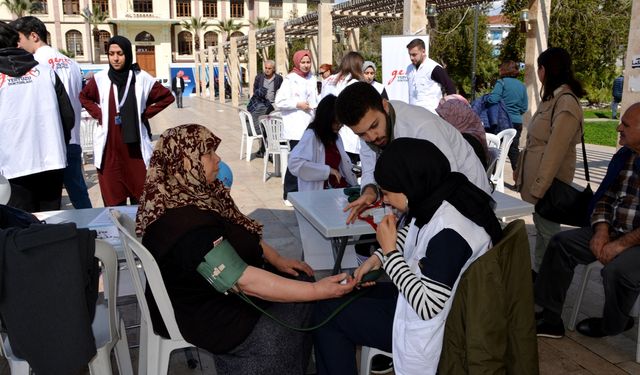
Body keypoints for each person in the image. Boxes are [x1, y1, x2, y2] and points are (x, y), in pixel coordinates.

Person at [135, 124, 355, 374]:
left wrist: (278, 258)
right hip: (209, 314)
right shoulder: (186, 227)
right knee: (296, 309)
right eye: (208, 154)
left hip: (209, 294)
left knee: (300, 278)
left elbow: (238, 231)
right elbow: (242, 280)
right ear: (186, 163)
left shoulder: (189, 197)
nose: (218, 159)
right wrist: (317, 290)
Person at [313, 138, 502, 375]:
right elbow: (416, 234)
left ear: (410, 184)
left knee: (329, 314)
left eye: (388, 192)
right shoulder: (444, 194)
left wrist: (390, 255)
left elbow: (427, 306)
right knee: (336, 298)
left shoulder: (451, 233)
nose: (386, 200)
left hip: (434, 327)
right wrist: (378, 258)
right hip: (427, 302)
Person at [534, 102, 640, 339]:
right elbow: (606, 197)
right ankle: (550, 317)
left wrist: (621, 245)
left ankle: (615, 324)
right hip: (615, 230)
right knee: (561, 243)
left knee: (617, 271)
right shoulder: (626, 156)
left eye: (626, 124)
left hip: (636, 241)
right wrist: (602, 230)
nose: (618, 128)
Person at [335, 82, 491, 224]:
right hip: (427, 205)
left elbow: (449, 180)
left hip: (467, 197)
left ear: (385, 106)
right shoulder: (369, 128)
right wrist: (369, 192)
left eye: (374, 126)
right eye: (361, 134)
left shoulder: (422, 127)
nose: (371, 137)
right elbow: (370, 169)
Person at [514, 47, 585, 275]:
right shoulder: (552, 98)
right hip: (541, 186)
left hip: (550, 188)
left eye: (540, 68)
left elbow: (555, 152)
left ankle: (548, 295)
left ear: (546, 70)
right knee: (543, 238)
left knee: (550, 239)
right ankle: (540, 285)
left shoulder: (565, 102)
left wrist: (539, 187)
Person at [79, 35, 174, 207]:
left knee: (142, 200)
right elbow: (84, 96)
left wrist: (144, 114)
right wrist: (100, 114)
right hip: (110, 152)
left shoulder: (141, 78)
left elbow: (167, 97)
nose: (115, 58)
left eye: (120, 53)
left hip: (135, 151)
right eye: (111, 53)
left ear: (128, 54)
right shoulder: (101, 79)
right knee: (114, 204)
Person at [11, 16, 92, 209]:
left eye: (20, 39)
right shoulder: (71, 63)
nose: (18, 45)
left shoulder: (34, 66)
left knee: (47, 201)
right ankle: (92, 231)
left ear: (33, 36)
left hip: (48, 144)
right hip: (73, 139)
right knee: (79, 193)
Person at [0, 21, 74, 212]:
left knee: (19, 230)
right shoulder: (46, 72)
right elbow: (68, 117)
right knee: (49, 223)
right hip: (52, 162)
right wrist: (56, 144)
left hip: (11, 167)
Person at [274, 49, 318, 205]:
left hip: (310, 125)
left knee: (310, 160)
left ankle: (305, 191)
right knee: (296, 159)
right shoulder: (290, 79)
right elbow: (279, 102)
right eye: (303, 62)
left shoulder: (312, 78)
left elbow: (314, 98)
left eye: (308, 62)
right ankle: (289, 193)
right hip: (296, 127)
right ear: (297, 62)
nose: (306, 65)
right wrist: (297, 104)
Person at [288, 94, 357, 191]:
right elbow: (294, 164)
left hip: (337, 189)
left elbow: (342, 165)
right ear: (326, 119)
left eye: (341, 123)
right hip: (319, 192)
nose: (339, 126)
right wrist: (327, 171)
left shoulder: (336, 137)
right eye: (336, 122)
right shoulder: (311, 135)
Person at [321, 51, 366, 164]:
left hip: (328, 130)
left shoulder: (328, 80)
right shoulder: (354, 83)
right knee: (349, 169)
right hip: (348, 132)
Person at [485, 60, 528, 170]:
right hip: (517, 122)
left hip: (502, 122)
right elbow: (524, 107)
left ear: (504, 70)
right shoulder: (522, 86)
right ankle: (518, 179)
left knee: (495, 147)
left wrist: (487, 98)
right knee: (513, 150)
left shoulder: (502, 82)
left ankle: (492, 175)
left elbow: (493, 99)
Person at [435, 95, 489, 168]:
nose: (441, 121)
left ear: (455, 117)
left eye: (444, 117)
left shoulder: (466, 141)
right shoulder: (464, 134)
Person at [405, 38, 456, 113]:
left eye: (414, 55)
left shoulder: (434, 68)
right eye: (410, 55)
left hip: (431, 116)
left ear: (423, 51)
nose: (411, 58)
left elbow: (450, 88)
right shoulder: (409, 68)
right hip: (413, 115)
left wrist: (449, 109)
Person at [247, 60, 283, 137]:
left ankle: (276, 141)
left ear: (273, 69)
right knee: (260, 125)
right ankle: (262, 145)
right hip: (261, 104)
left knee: (276, 123)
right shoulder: (259, 77)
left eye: (269, 68)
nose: (267, 70)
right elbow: (255, 90)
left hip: (273, 104)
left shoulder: (278, 78)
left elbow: (281, 91)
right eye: (266, 68)